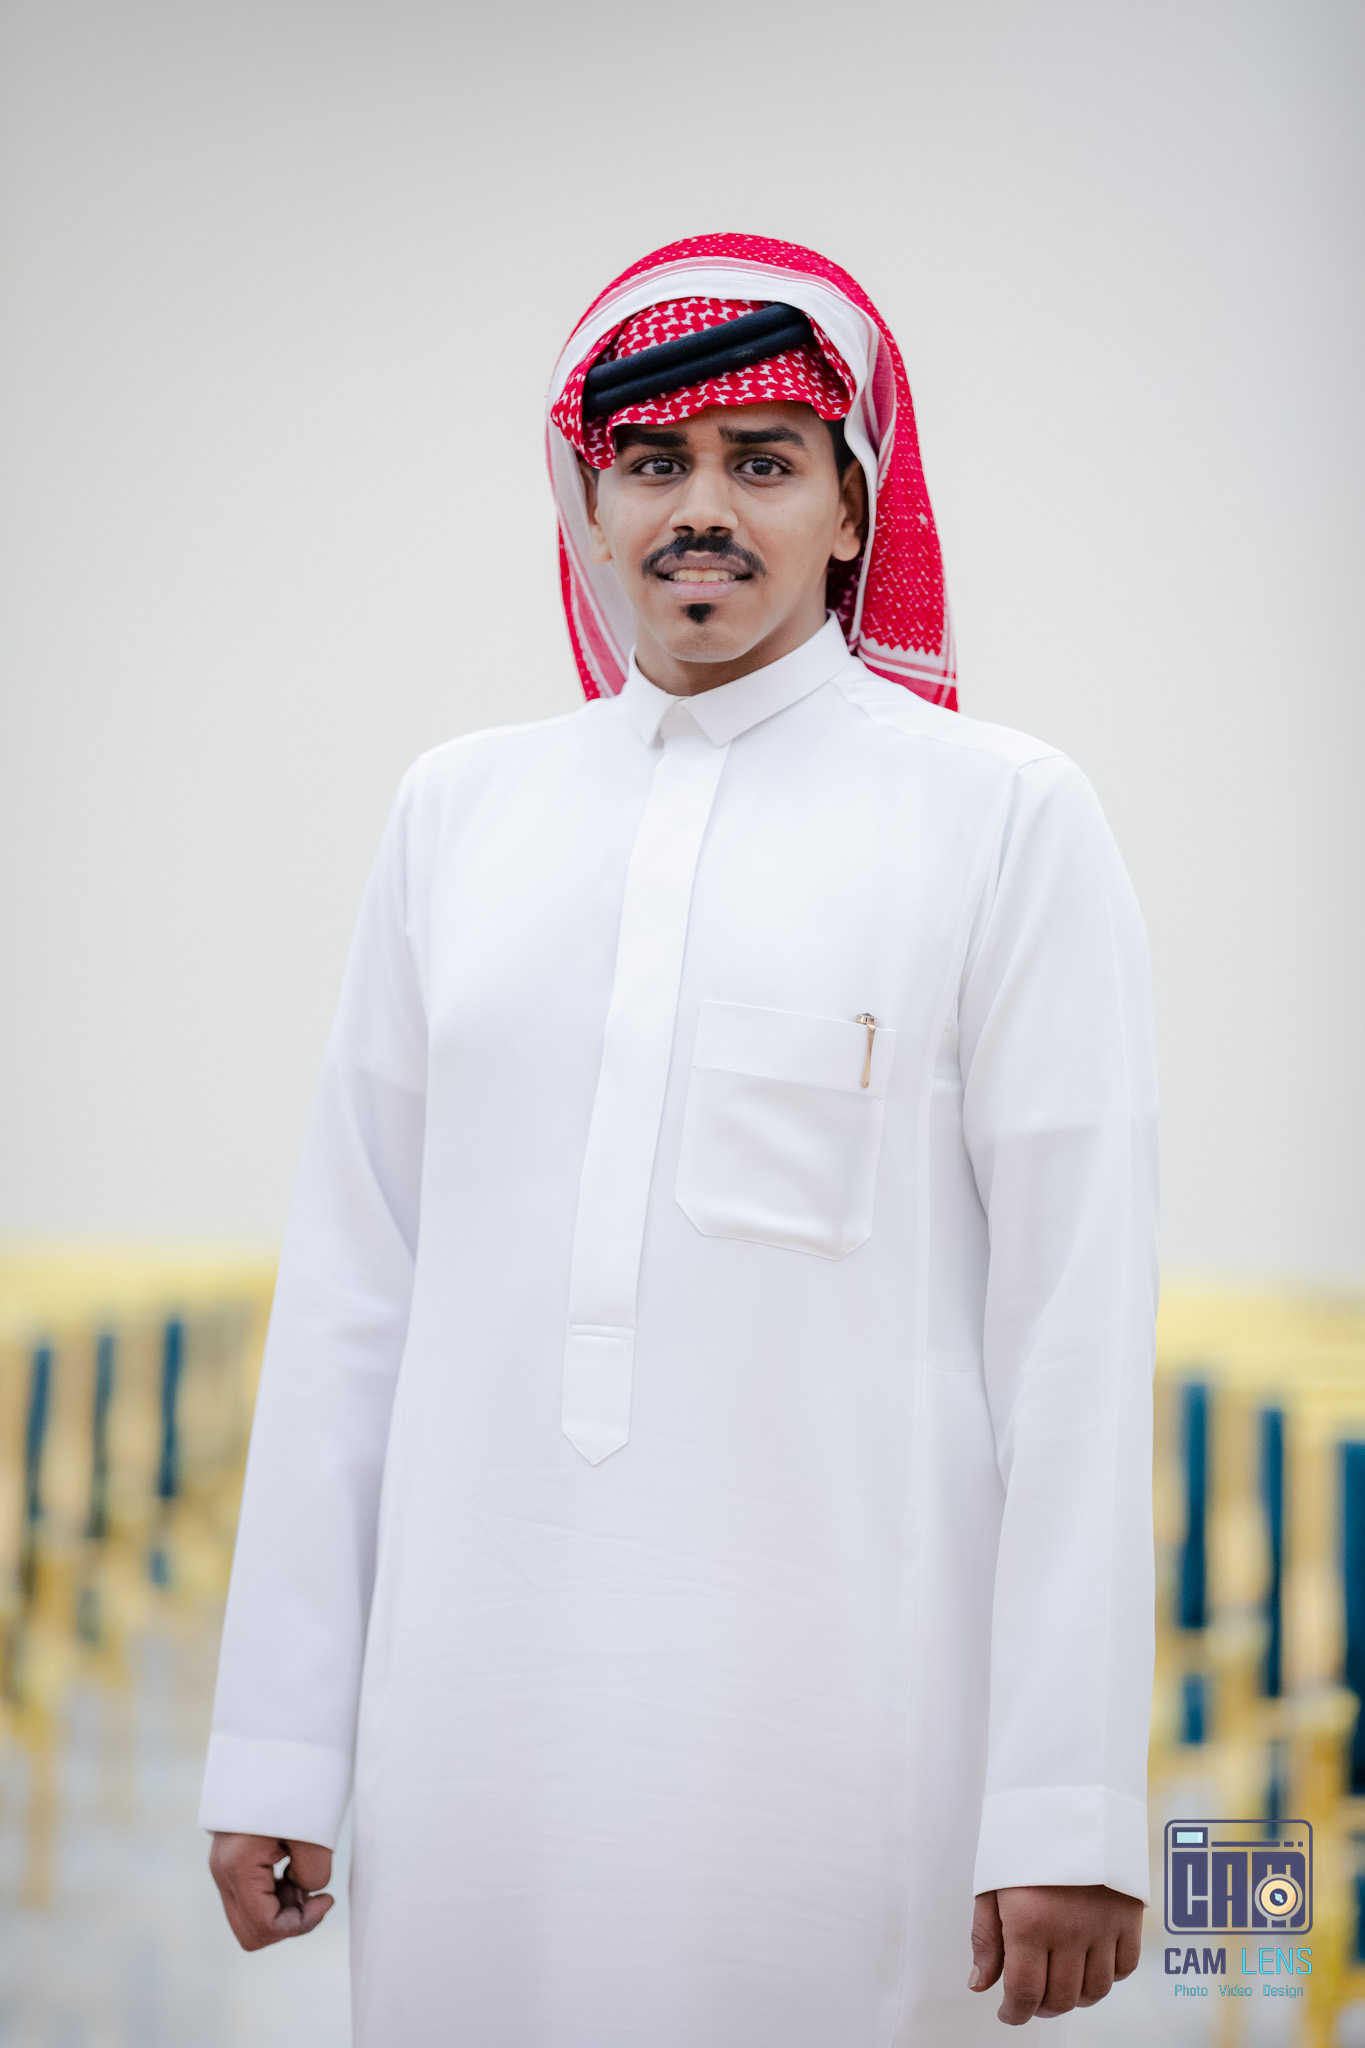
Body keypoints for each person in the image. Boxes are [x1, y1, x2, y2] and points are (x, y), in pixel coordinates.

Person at [201, 233, 1158, 2044]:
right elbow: (349, 1303)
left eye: (761, 461)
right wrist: (277, 1741)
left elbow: (1074, 1336)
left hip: (846, 1734)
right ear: (589, 503)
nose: (700, 508)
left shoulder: (1000, 817)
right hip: (468, 1729)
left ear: (851, 511)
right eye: (650, 461)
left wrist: (1065, 1800)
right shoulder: (456, 813)